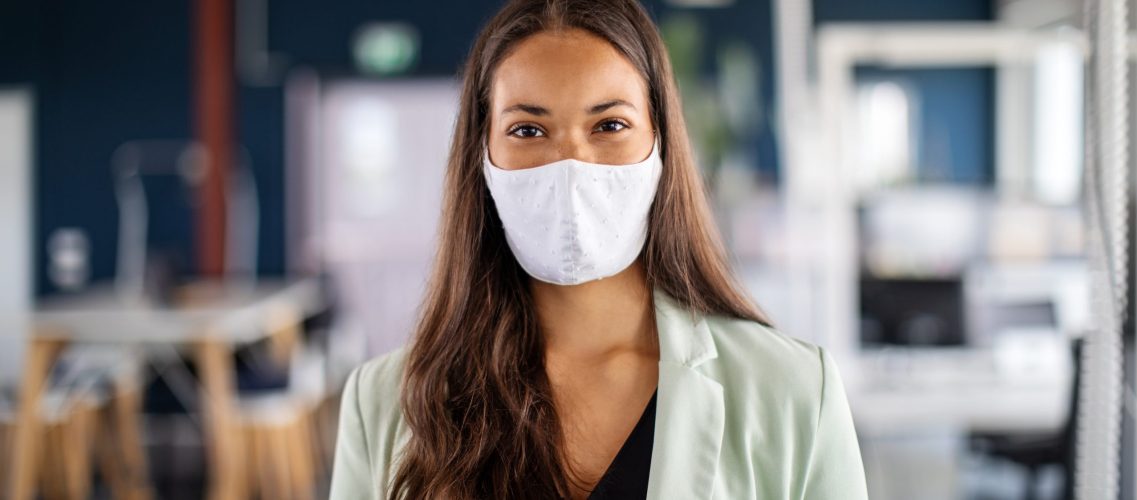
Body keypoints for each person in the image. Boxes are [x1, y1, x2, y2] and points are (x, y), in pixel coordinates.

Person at [329, 0, 868, 498]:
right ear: (482, 156)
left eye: (610, 124)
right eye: (527, 129)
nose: (571, 164)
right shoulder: (384, 405)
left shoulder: (793, 392)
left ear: (661, 145)